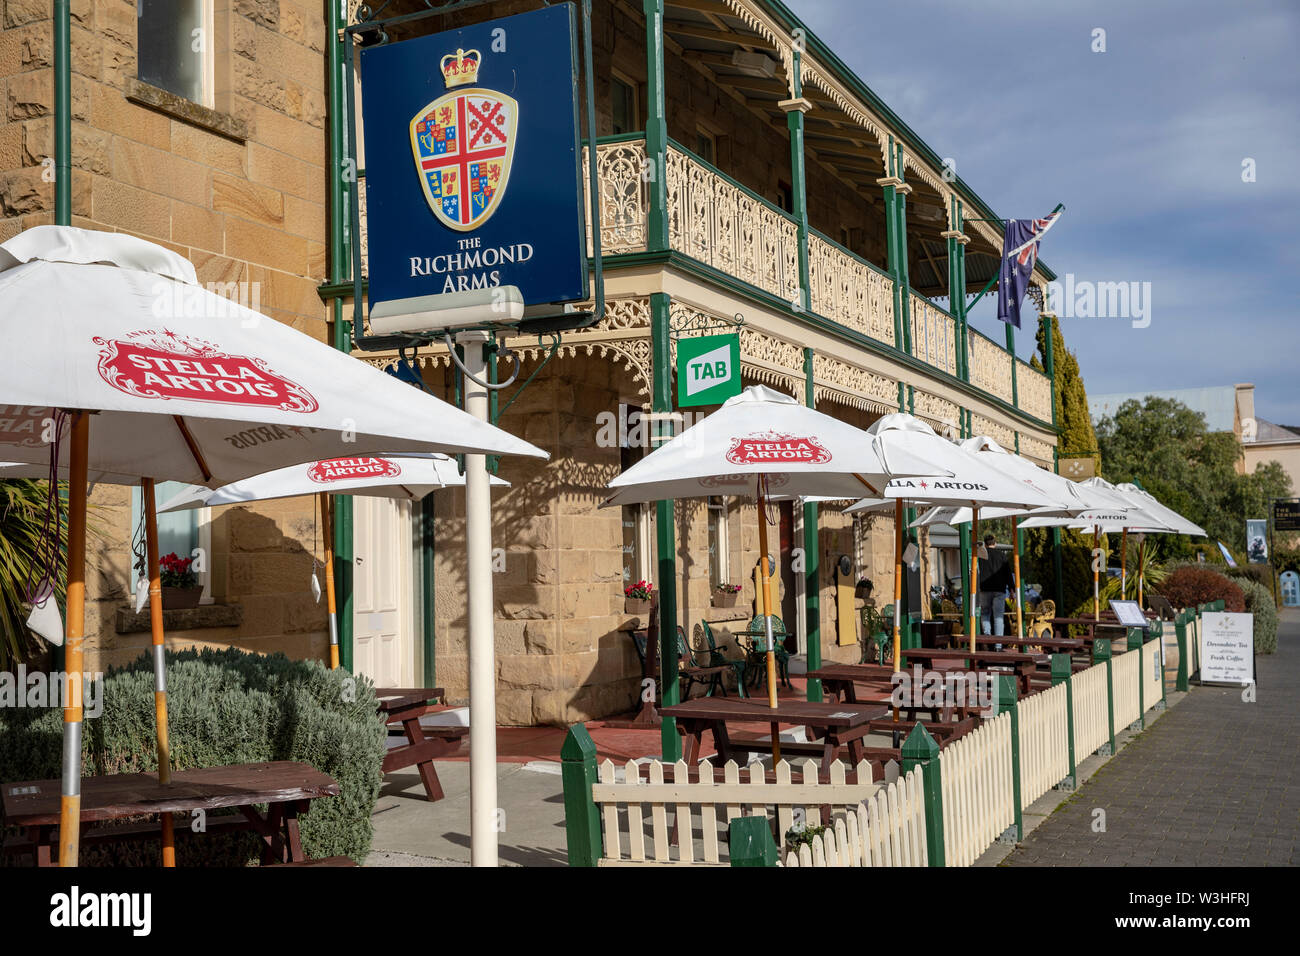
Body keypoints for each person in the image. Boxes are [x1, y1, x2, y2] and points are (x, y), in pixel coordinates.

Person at [977, 534, 1013, 638]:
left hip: (985, 588)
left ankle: (988, 637)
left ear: (985, 544)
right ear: (995, 543)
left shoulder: (980, 556)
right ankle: (998, 645)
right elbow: (1008, 573)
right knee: (998, 616)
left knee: (985, 614)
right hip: (999, 590)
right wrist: (1011, 590)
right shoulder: (1001, 555)